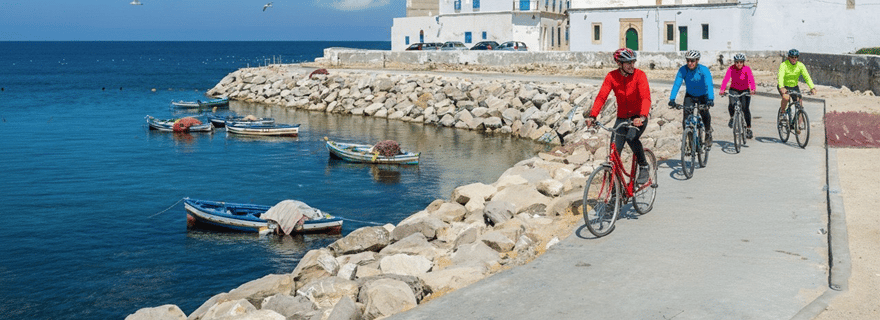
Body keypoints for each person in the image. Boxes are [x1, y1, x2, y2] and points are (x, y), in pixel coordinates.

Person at [585, 48, 652, 185]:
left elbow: (646, 98)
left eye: (633, 62)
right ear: (619, 63)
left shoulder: (640, 75)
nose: (632, 65)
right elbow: (602, 97)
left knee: (631, 137)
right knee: (613, 155)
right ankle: (615, 196)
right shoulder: (611, 76)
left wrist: (643, 116)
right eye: (628, 63)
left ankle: (644, 165)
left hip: (638, 117)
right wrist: (593, 116)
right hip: (621, 118)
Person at [668, 50, 715, 145]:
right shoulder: (683, 70)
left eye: (692, 61)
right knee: (686, 119)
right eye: (688, 60)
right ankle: (691, 139)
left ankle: (708, 132)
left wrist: (710, 99)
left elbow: (709, 84)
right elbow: (677, 84)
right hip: (690, 95)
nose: (690, 63)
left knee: (704, 113)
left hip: (703, 96)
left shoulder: (704, 70)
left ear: (697, 60)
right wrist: (672, 99)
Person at [719, 53, 757, 139]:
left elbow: (751, 79)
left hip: (745, 90)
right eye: (737, 62)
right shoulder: (731, 68)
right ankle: (732, 117)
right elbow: (726, 79)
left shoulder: (747, 69)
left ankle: (748, 129)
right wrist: (722, 89)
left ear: (743, 62)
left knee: (745, 108)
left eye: (740, 62)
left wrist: (752, 89)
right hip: (734, 90)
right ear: (734, 62)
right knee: (732, 104)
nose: (739, 64)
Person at [777, 49, 817, 118]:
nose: (794, 59)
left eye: (796, 57)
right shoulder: (784, 65)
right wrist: (781, 87)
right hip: (784, 86)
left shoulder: (800, 65)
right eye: (792, 57)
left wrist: (812, 87)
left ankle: (798, 126)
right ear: (788, 57)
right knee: (786, 98)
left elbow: (807, 77)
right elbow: (780, 76)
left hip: (794, 87)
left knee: (800, 106)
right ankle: (782, 112)